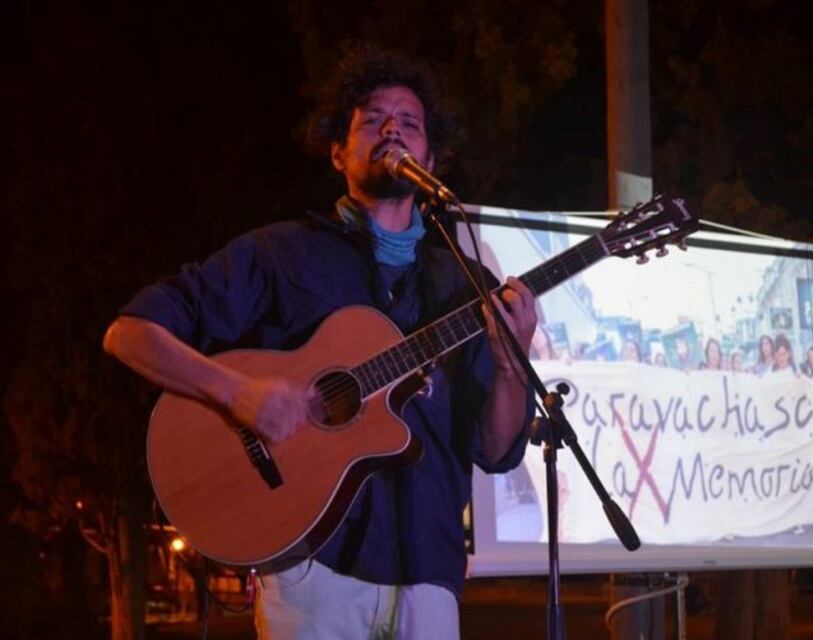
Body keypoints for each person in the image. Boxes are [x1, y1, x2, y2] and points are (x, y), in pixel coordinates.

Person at [102, 46, 536, 640]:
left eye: (410, 123)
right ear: (338, 152)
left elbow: (496, 450)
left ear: (431, 159)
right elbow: (130, 334)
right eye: (373, 118)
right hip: (312, 571)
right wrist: (237, 393)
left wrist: (513, 366)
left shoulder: (463, 284)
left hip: (430, 573)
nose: (392, 129)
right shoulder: (283, 254)